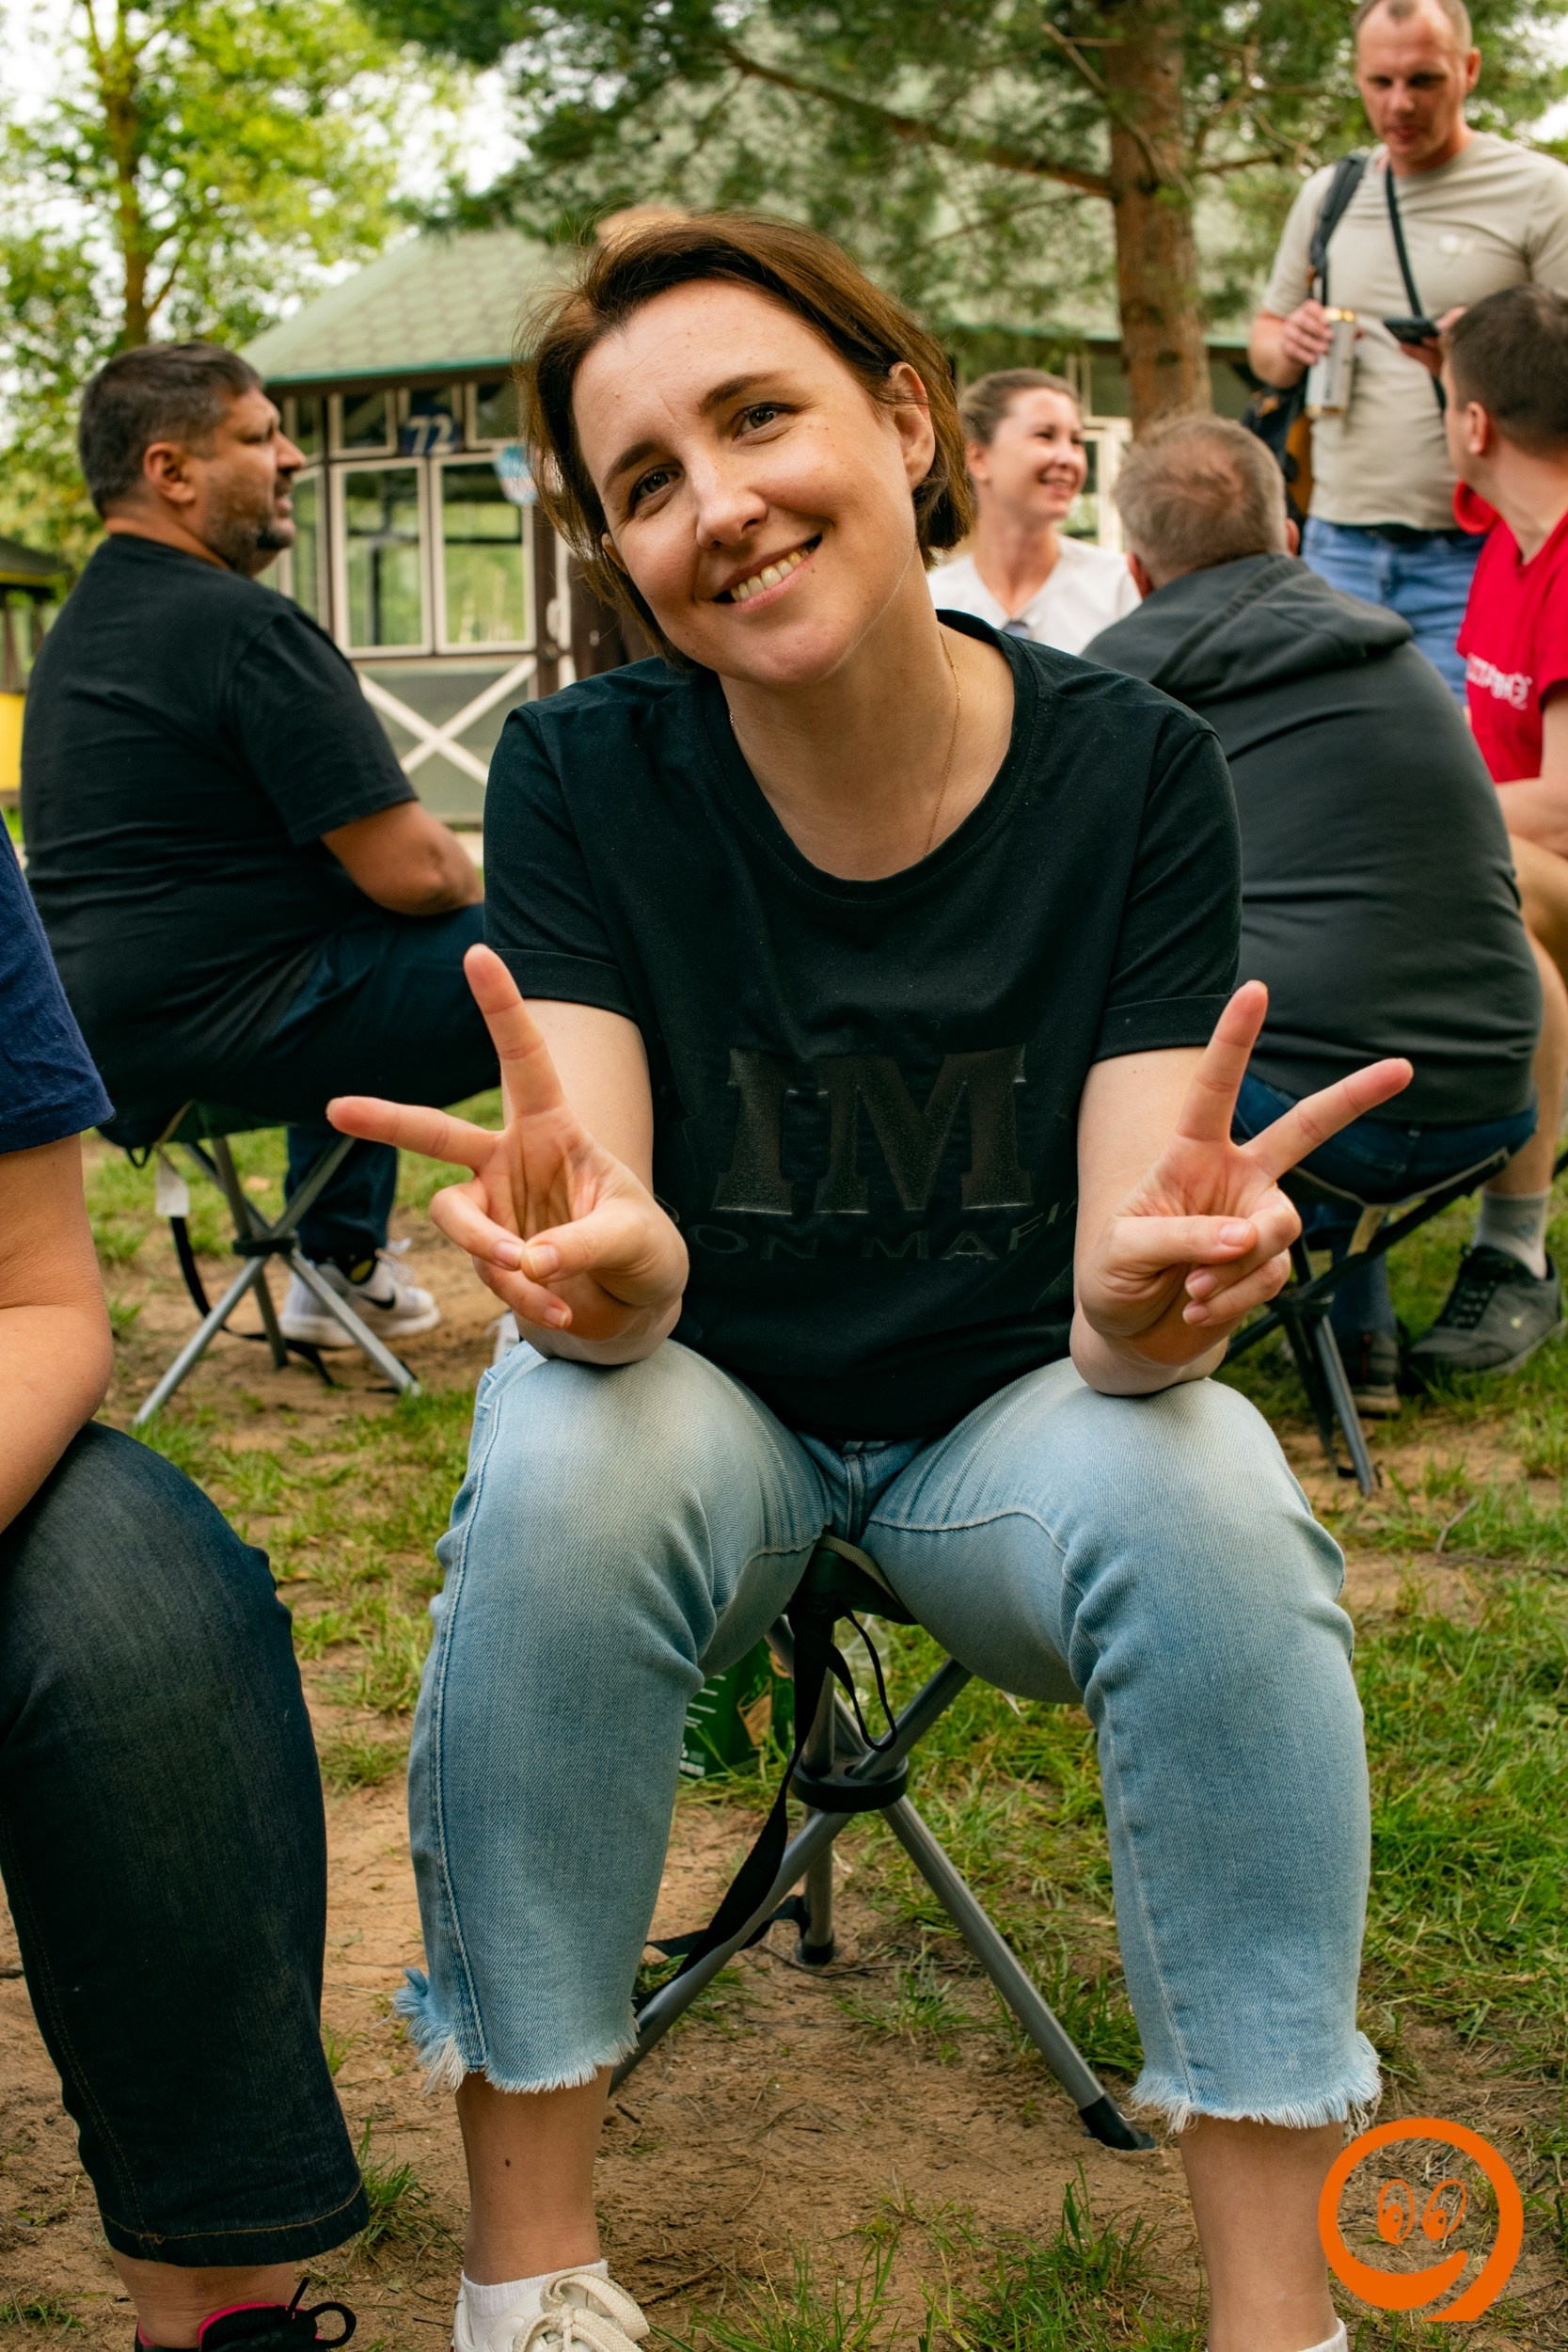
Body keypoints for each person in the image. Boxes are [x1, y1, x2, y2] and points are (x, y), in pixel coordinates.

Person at [332, 213, 1413, 2352]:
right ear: (621, 551)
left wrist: (1159, 1303)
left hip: (1007, 1436)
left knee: (1213, 1485)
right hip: (704, 1408)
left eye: (759, 418)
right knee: (558, 1452)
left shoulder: (1131, 769)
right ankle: (527, 2279)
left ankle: (1275, 2318)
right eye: (646, 482)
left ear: (905, 420)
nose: (717, 505)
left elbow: (1114, 1326)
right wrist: (612, 1270)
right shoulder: (581, 773)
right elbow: (616, 1259)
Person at [0, 831, 369, 2351]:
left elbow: (34, 1296)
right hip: (228, 1014)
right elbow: (409, 871)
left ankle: (221, 2301)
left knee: (144, 1607)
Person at [20, 342, 497, 1353]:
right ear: (171, 471)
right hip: (236, 1023)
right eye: (259, 435)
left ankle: (340, 1261)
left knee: (341, 934)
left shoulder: (78, 633)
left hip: (111, 1046)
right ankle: (615, 1259)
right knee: (580, 950)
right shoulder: (245, 628)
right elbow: (419, 872)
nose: (292, 458)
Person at [1085, 416, 1561, 1402]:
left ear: (1134, 569)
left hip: (1319, 1120)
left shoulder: (1118, 687)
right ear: (1290, 538)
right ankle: (1356, 1319)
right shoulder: (1395, 657)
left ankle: (1079, 1326)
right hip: (1492, 1105)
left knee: (1121, 991)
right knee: (1310, 971)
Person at [1248, 0, 1568, 697]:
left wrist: (1480, 350)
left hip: (1478, 548)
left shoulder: (1542, 192)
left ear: (1469, 69)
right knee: (1337, 753)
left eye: (1423, 80)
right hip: (1335, 541)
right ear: (1358, 76)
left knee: (1470, 761)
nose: (1399, 104)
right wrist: (1290, 341)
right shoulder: (1329, 194)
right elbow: (1264, 346)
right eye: (1380, 81)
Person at [1404, 281, 1568, 1374]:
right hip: (1522, 862)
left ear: (1472, 423)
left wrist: (1408, 822)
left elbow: (1562, 801)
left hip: (1540, 864)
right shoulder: (1503, 537)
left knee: (1477, 876)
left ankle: (1513, 1254)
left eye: (1446, 405)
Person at [926, 370, 1137, 654]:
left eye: (1076, 441)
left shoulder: (1120, 588)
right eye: (1045, 436)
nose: (1069, 458)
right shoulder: (933, 600)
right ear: (978, 458)